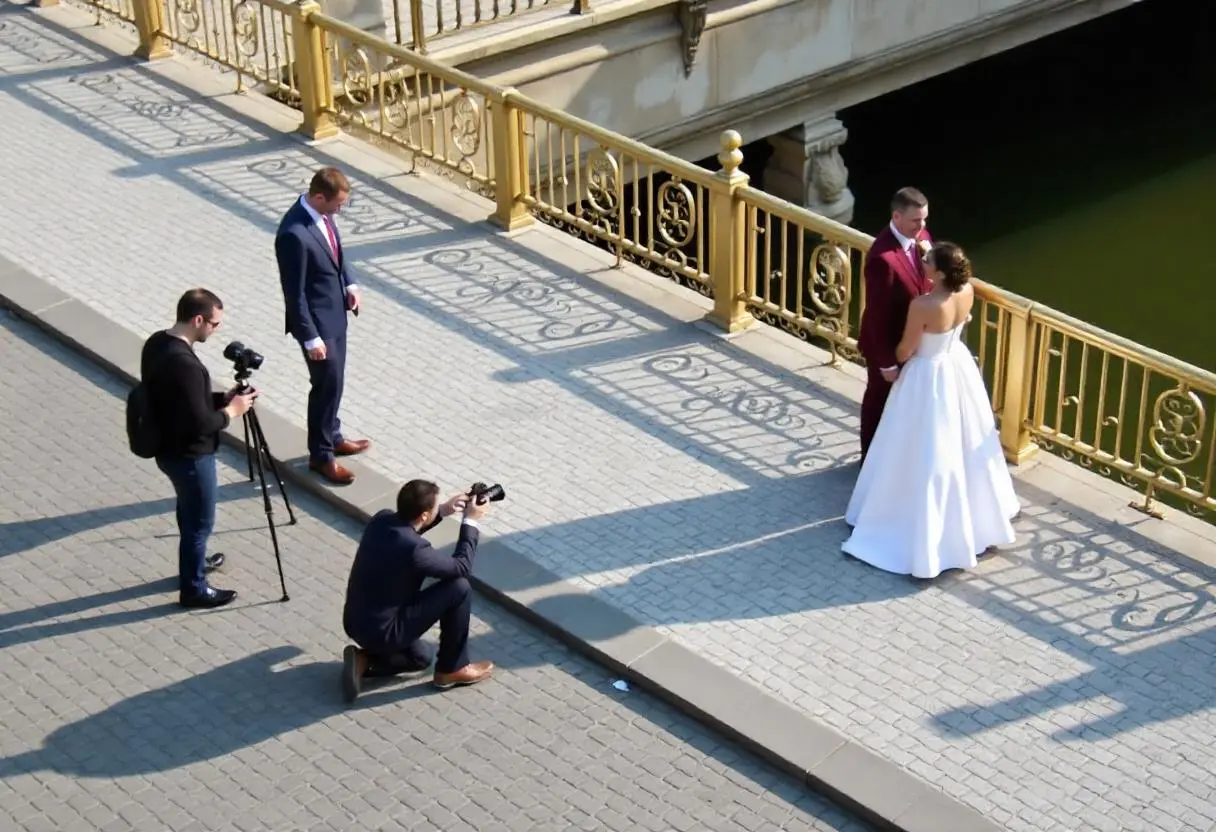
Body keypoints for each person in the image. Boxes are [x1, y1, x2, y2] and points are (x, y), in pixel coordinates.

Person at [842, 242, 1020, 579]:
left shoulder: (923, 305)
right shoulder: (967, 289)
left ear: (938, 272)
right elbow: (962, 318)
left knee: (920, 447)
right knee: (961, 444)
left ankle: (915, 523)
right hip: (956, 364)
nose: (921, 258)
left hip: (927, 372)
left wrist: (890, 359)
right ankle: (974, 517)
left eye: (927, 258)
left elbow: (907, 347)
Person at [140, 289, 257, 608]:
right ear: (197, 320)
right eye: (215, 324)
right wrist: (232, 411)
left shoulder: (157, 343)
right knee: (199, 524)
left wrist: (223, 398)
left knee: (189, 512)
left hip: (167, 448)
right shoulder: (186, 364)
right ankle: (193, 587)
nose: (216, 330)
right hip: (190, 455)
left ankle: (195, 563)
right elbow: (201, 424)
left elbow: (183, 402)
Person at [340, 479, 495, 702]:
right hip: (385, 632)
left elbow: (407, 530)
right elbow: (462, 567)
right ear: (423, 515)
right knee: (459, 588)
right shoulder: (416, 550)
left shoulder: (382, 519)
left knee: (420, 658)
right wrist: (471, 521)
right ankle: (452, 668)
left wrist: (442, 511)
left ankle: (364, 659)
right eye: (434, 507)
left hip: (356, 622)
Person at [275, 166, 369, 487]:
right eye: (337, 204)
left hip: (336, 317)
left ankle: (334, 434)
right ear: (318, 197)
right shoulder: (293, 234)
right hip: (318, 327)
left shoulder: (322, 214)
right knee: (325, 387)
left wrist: (349, 284)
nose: (339, 210)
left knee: (336, 383)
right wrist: (310, 337)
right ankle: (321, 455)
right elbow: (294, 292)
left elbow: (336, 252)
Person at [856, 187, 935, 460]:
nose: (922, 226)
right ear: (897, 217)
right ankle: (868, 460)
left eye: (924, 219)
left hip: (915, 342)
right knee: (878, 400)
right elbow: (877, 315)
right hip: (887, 345)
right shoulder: (882, 259)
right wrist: (886, 362)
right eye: (916, 220)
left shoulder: (922, 237)